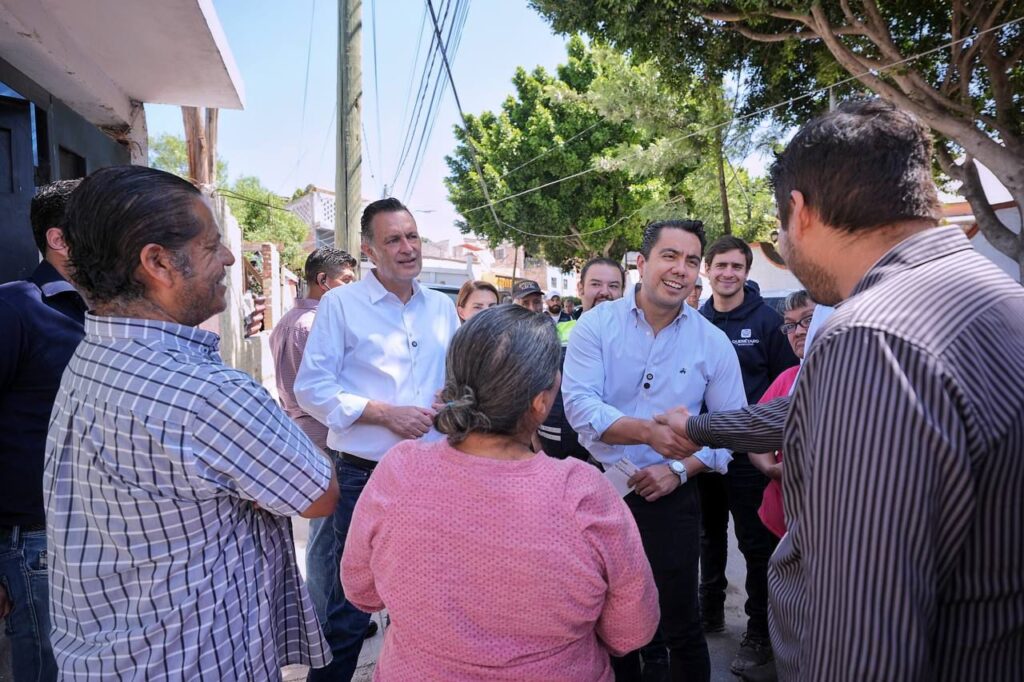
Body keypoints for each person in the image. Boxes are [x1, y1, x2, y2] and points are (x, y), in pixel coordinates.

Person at [46, 166, 339, 680]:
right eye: (210, 246)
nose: (229, 258)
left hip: (104, 654)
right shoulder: (209, 392)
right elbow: (318, 493)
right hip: (194, 658)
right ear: (157, 262)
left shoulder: (93, 353)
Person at [341, 305, 659, 680]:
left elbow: (361, 591)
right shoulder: (582, 493)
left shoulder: (401, 470)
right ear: (540, 402)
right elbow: (631, 630)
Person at [563, 219, 747, 682]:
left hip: (672, 497)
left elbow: (730, 431)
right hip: (600, 490)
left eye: (691, 260)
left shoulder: (712, 342)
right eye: (670, 256)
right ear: (642, 263)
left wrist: (680, 469)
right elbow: (579, 406)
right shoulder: (596, 325)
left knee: (680, 622)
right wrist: (647, 433)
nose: (680, 269)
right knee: (607, 621)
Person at [294, 197, 459, 681]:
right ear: (369, 250)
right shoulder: (341, 305)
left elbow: (457, 376)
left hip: (434, 473)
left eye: (413, 236)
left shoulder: (441, 307)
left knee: (429, 596)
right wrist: (385, 414)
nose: (408, 248)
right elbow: (312, 388)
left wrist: (451, 395)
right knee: (351, 605)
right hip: (363, 476)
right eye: (394, 240)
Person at [697, 236, 799, 673]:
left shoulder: (767, 322)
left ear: (746, 272)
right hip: (702, 451)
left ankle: (759, 633)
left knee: (755, 544)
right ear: (707, 269)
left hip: (748, 456)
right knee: (707, 536)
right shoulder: (696, 320)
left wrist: (767, 450)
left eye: (736, 266)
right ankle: (710, 611)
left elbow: (786, 390)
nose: (728, 273)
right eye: (720, 265)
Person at [268, 248, 379, 644]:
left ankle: (324, 617)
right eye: (346, 281)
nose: (351, 288)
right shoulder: (315, 323)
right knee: (329, 537)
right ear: (323, 282)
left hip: (307, 432)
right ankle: (326, 620)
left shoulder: (288, 320)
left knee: (324, 534)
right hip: (324, 434)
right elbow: (321, 390)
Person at [0, 179, 84, 682]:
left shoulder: (110, 313)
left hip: (106, 533)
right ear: (59, 240)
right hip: (37, 543)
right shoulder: (16, 307)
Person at [538, 257, 625, 461]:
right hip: (561, 445)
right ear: (580, 288)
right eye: (596, 284)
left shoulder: (638, 337)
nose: (605, 292)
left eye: (613, 286)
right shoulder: (558, 331)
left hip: (616, 451)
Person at [747, 290, 815, 539]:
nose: (798, 331)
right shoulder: (786, 379)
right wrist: (772, 468)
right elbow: (755, 433)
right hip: (780, 520)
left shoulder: (853, 378)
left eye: (808, 320)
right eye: (790, 325)